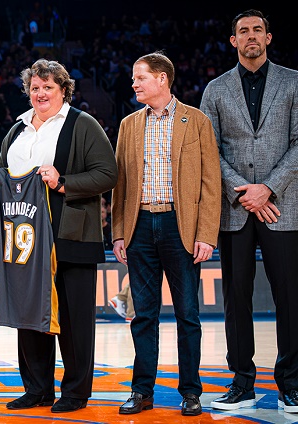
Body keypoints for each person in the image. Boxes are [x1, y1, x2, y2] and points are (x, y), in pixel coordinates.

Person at [0, 58, 117, 413]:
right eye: (35, 87)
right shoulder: (17, 130)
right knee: (30, 315)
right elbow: (3, 170)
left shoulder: (83, 124)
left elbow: (108, 174)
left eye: (48, 87)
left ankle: (75, 392)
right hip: (24, 241)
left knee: (74, 320)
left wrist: (63, 183)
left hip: (70, 237)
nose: (40, 93)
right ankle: (37, 388)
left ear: (63, 90)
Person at [111, 51, 221, 416]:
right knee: (144, 316)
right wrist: (119, 233)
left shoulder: (197, 121)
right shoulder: (128, 124)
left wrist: (206, 234)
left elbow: (210, 183)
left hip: (181, 228)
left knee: (188, 314)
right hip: (140, 226)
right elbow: (121, 183)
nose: (134, 83)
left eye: (139, 77)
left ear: (161, 79)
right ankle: (141, 391)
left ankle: (191, 392)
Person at [199, 9, 298, 413]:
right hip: (235, 209)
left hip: (283, 206)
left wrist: (268, 188)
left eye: (258, 29)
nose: (251, 36)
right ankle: (242, 384)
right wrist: (244, 192)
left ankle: (291, 384)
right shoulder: (215, 89)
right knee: (236, 300)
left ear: (269, 38)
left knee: (289, 299)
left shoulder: (293, 82)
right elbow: (209, 150)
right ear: (233, 40)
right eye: (244, 31)